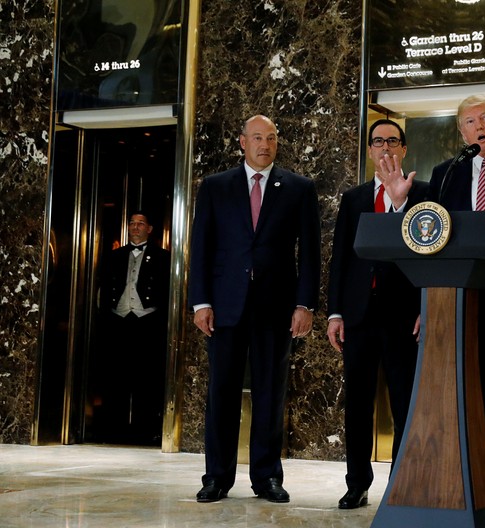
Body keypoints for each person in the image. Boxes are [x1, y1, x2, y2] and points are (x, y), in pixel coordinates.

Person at [376, 94, 485, 525]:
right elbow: (430, 232)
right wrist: (401, 203)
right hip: (458, 303)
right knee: (463, 401)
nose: (478, 126)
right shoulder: (448, 172)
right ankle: (468, 488)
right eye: (469, 121)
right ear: (460, 132)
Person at [188, 114, 322, 504]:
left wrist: (305, 303)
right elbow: (202, 247)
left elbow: (310, 253)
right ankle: (216, 477)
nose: (265, 144)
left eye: (271, 138)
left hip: (275, 307)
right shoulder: (216, 187)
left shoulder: (298, 188)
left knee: (269, 393)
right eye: (257, 137)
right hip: (224, 308)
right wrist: (201, 302)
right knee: (222, 393)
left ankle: (267, 478)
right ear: (242, 142)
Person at [326, 119, 427, 510]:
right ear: (369, 150)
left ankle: (400, 485)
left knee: (404, 403)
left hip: (404, 317)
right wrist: (336, 313)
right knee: (358, 403)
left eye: (393, 141)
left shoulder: (423, 194)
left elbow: (429, 253)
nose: (385, 147)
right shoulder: (353, 199)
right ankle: (357, 483)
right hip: (358, 316)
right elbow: (341, 260)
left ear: (403, 149)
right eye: (378, 141)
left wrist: (424, 306)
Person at [97, 211, 170, 444]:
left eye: (140, 224)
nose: (135, 227)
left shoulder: (163, 257)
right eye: (132, 223)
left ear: (149, 229)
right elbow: (104, 288)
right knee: (116, 376)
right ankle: (113, 428)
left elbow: (167, 292)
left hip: (146, 322)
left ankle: (144, 430)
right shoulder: (114, 255)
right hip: (118, 321)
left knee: (145, 378)